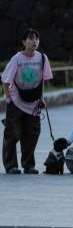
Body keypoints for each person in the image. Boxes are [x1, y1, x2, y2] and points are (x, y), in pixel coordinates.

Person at [2, 28, 53, 174]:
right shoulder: (17, 59)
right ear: (24, 42)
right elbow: (5, 79)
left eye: (36, 38)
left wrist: (42, 98)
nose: (34, 41)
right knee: (12, 134)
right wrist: (8, 98)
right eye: (31, 39)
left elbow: (42, 80)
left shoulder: (42, 58)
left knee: (32, 133)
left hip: (34, 102)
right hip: (16, 100)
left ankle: (28, 165)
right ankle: (11, 165)